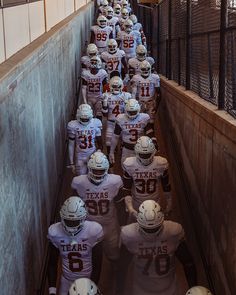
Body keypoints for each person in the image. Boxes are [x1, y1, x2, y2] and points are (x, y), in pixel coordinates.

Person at [118, 200, 197, 295]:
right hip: (166, 289)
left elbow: (122, 266)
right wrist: (193, 287)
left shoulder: (129, 234)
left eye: (153, 228)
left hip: (145, 289)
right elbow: (188, 263)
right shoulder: (172, 232)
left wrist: (119, 290)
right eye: (148, 229)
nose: (151, 232)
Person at [71, 151, 123, 265]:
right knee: (93, 258)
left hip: (109, 224)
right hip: (90, 226)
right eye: (96, 170)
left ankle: (114, 273)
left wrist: (122, 223)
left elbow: (120, 203)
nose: (98, 173)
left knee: (114, 256)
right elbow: (74, 207)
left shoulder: (114, 181)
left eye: (101, 170)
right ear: (89, 168)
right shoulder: (80, 182)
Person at [47, 196, 104, 295]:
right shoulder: (55, 232)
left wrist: (92, 285)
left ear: (83, 218)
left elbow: (97, 264)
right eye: (68, 221)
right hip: (67, 280)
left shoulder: (93, 231)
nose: (71, 225)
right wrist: (52, 290)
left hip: (87, 279)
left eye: (74, 221)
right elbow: (52, 263)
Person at [123, 136, 172, 221]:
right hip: (136, 202)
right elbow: (126, 188)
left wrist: (169, 202)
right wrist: (130, 208)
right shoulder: (130, 165)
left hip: (155, 201)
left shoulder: (161, 164)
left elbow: (166, 185)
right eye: (142, 154)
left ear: (153, 152)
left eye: (147, 154)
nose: (145, 157)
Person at [109, 98, 157, 165]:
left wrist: (154, 141)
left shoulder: (144, 117)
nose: (132, 114)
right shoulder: (121, 118)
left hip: (142, 151)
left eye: (134, 112)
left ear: (138, 110)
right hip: (127, 149)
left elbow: (149, 131)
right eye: (130, 112)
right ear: (126, 110)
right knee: (127, 169)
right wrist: (111, 152)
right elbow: (115, 136)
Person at [67, 104, 103, 176]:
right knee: (81, 179)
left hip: (92, 154)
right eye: (83, 119)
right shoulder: (73, 125)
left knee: (94, 176)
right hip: (79, 156)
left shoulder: (96, 123)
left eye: (86, 119)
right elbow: (71, 144)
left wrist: (99, 151)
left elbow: (100, 141)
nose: (85, 120)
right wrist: (71, 162)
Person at [101, 76, 131, 157]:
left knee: (124, 141)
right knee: (108, 142)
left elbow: (130, 113)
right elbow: (104, 114)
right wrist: (105, 103)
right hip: (111, 122)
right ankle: (110, 162)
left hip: (122, 123)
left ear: (121, 86)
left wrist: (127, 103)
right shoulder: (106, 96)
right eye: (114, 86)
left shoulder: (126, 95)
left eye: (118, 86)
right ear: (110, 86)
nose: (116, 88)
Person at [131, 60, 160, 127]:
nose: (145, 70)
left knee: (151, 122)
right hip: (140, 102)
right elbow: (134, 93)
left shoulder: (154, 77)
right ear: (140, 69)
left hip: (151, 102)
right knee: (139, 121)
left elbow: (158, 93)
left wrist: (156, 105)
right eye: (144, 69)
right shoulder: (136, 78)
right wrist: (134, 103)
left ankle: (150, 136)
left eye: (147, 69)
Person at [81, 56, 108, 120]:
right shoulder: (86, 73)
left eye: (95, 62)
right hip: (89, 97)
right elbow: (83, 88)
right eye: (92, 62)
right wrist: (84, 100)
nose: (94, 64)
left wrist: (105, 97)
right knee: (89, 114)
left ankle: (98, 127)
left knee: (99, 114)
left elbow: (105, 86)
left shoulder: (102, 73)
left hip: (99, 97)